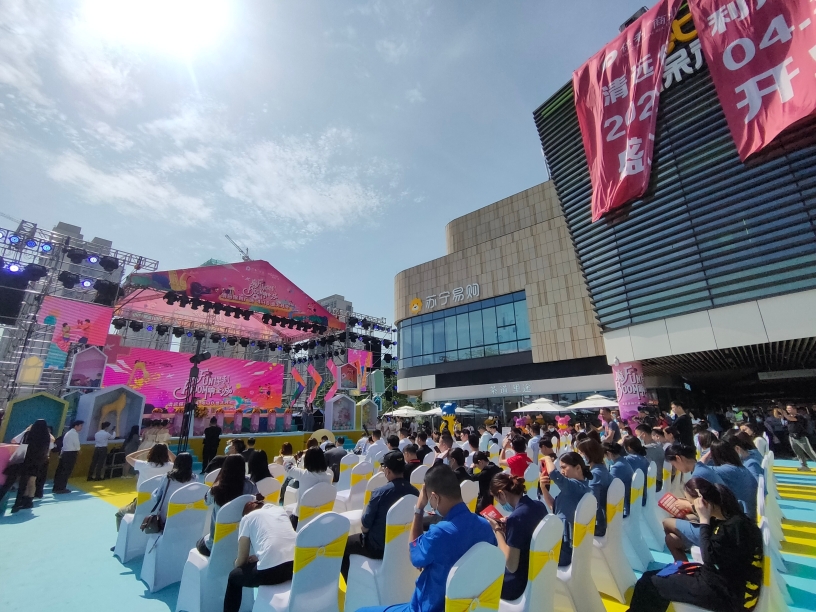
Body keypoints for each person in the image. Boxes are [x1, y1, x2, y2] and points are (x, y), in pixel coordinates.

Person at [355, 465, 497, 612]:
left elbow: (414, 555)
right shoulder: (485, 527)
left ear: (435, 497)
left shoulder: (439, 534)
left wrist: (418, 509)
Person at [628, 478, 763, 612]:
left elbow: (708, 558)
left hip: (729, 595)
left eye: (693, 504)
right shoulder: (732, 518)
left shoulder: (732, 528)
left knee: (649, 584)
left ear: (704, 503)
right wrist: (701, 514)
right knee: (649, 577)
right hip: (722, 581)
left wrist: (704, 520)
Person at [340, 451, 419, 579]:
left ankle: (352, 583)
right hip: (404, 546)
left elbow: (365, 525)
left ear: (387, 470)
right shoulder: (415, 492)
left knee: (343, 546)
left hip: (378, 548)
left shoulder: (379, 493)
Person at [484, 472, 548, 601]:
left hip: (520, 584)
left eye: (497, 499)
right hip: (540, 573)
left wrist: (497, 530)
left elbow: (511, 565)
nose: (498, 503)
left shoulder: (516, 519)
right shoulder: (539, 506)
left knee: (483, 578)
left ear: (502, 494)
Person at [224, 500, 296, 612]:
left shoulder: (247, 518)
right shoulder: (280, 511)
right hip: (295, 567)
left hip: (273, 573)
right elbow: (281, 541)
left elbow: (242, 561)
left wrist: (235, 563)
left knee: (233, 577)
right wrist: (260, 557)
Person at [197, 455, 258, 557]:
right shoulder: (251, 486)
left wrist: (217, 480)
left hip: (216, 545)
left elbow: (206, 502)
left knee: (200, 542)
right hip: (242, 544)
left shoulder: (216, 489)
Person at [538, 452, 592, 567]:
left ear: (578, 468)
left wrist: (547, 459)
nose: (562, 471)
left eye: (564, 467)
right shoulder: (577, 487)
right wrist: (543, 488)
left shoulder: (576, 486)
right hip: (561, 537)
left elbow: (554, 475)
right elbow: (554, 507)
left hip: (564, 543)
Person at [704, 439, 758, 521]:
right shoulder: (739, 468)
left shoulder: (728, 470)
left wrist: (707, 455)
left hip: (742, 519)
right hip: (749, 514)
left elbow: (699, 468)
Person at [284, 447, 333, 529]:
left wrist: (296, 457)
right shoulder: (329, 476)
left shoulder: (303, 474)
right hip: (321, 519)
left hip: (300, 520)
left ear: (306, 460)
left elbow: (286, 465)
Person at [10, 419, 52, 513]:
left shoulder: (29, 434)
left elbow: (15, 440)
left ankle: (20, 501)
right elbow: (51, 445)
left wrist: (27, 430)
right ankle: (29, 501)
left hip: (26, 460)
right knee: (32, 481)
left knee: (23, 482)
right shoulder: (46, 437)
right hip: (38, 462)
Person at [576, 438, 612, 536]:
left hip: (598, 525)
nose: (580, 455)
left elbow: (592, 503)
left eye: (581, 453)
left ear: (589, 454)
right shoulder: (602, 468)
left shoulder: (595, 474)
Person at [150, 452, 197, 524]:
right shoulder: (194, 478)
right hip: (186, 515)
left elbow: (157, 497)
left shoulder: (167, 478)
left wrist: (154, 492)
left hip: (166, 517)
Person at [778, 405, 816, 471]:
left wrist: (785, 414)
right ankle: (804, 466)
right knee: (798, 452)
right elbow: (781, 419)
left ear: (794, 409)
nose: (788, 410)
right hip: (792, 437)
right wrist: (780, 412)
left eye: (789, 408)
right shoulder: (788, 416)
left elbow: (791, 419)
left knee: (810, 452)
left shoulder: (799, 416)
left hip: (801, 437)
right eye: (787, 409)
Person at [602, 442, 636, 516]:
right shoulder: (623, 461)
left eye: (604, 456)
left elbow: (608, 486)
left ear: (609, 454)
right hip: (629, 501)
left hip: (624, 507)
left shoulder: (617, 467)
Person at [52, 420, 84, 494]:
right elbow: (76, 444)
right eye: (80, 426)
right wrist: (79, 450)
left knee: (61, 470)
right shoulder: (74, 434)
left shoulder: (68, 433)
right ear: (76, 426)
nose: (81, 428)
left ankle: (57, 487)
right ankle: (61, 487)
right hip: (70, 454)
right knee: (66, 471)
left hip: (65, 453)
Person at [623, 437, 651, 505]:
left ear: (629, 448)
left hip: (633, 495)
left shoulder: (627, 459)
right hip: (644, 493)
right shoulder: (644, 459)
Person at [636, 424, 665, 490]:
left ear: (643, 434)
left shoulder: (649, 448)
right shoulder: (657, 444)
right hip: (659, 479)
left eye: (637, 435)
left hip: (656, 482)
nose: (637, 437)